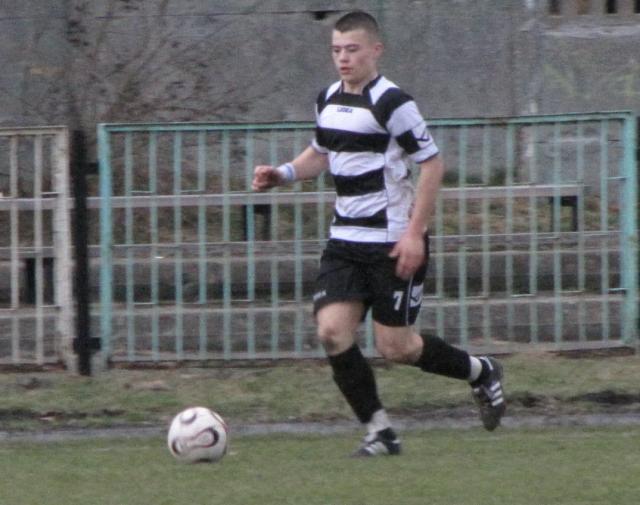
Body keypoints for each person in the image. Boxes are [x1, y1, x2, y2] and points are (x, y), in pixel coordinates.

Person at [252, 10, 505, 457]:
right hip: (345, 242)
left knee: (398, 348)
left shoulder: (393, 103)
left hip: (391, 241)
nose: (343, 58)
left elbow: (432, 165)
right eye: (336, 50)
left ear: (375, 50)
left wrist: (414, 234)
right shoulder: (327, 98)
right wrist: (284, 173)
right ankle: (380, 432)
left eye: (352, 50)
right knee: (332, 332)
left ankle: (481, 372)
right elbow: (322, 151)